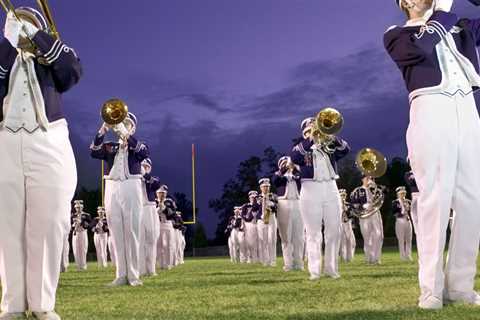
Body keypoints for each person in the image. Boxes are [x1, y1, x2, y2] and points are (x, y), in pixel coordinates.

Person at [384, 0, 480, 308]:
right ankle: (431, 290)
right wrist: (442, 12)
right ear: (406, 2)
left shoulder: (459, 27)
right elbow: (416, 52)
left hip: (467, 108)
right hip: (429, 108)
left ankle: (461, 287)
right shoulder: (397, 33)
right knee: (434, 201)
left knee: (473, 201)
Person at [0, 7, 82, 319]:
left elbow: (71, 72)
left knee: (49, 224)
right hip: (4, 141)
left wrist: (36, 35)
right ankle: (12, 305)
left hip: (49, 142)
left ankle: (42, 305)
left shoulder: (53, 56)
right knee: (7, 228)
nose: (21, 26)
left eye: (29, 22)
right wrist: (9, 42)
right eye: (17, 22)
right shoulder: (3, 54)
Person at [90, 112, 149, 287]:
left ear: (133, 127)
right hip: (112, 186)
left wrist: (125, 134)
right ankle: (120, 275)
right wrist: (103, 129)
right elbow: (93, 152)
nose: (122, 124)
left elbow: (143, 152)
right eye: (120, 122)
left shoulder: (138, 144)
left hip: (131, 184)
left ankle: (133, 275)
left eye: (127, 123)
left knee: (131, 230)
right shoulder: (110, 146)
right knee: (116, 232)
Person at [290, 117, 350, 280]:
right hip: (310, 189)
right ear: (304, 132)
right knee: (313, 233)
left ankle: (331, 269)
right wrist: (311, 139)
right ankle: (315, 271)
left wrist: (331, 136)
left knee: (334, 230)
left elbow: (346, 149)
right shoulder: (300, 147)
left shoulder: (328, 146)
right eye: (310, 129)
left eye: (316, 128)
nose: (315, 132)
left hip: (331, 187)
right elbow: (294, 158)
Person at [273, 156, 304, 271]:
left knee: (299, 237)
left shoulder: (298, 175)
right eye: (285, 163)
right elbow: (275, 181)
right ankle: (288, 264)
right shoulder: (279, 175)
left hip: (298, 203)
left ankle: (299, 264)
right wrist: (283, 169)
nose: (288, 164)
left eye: (289, 162)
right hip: (283, 204)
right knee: (286, 237)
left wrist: (294, 168)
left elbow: (304, 179)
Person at [350, 176, 385, 265]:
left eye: (371, 178)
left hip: (375, 213)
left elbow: (385, 193)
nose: (369, 180)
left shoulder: (375, 189)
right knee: (367, 237)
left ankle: (376, 258)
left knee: (379, 235)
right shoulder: (358, 191)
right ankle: (369, 258)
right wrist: (363, 206)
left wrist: (376, 187)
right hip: (365, 216)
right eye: (367, 178)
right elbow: (353, 204)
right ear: (362, 179)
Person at [138, 158, 161, 277]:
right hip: (138, 209)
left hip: (149, 209)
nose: (144, 168)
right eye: (142, 166)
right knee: (140, 240)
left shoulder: (153, 178)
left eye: (146, 166)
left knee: (151, 239)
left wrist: (145, 175)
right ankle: (141, 270)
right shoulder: (135, 180)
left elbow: (156, 185)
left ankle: (151, 269)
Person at [257, 178, 278, 267]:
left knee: (272, 240)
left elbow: (277, 206)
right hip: (261, 221)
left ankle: (272, 261)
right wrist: (259, 202)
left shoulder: (273, 196)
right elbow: (254, 209)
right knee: (263, 241)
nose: (266, 188)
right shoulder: (257, 198)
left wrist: (270, 203)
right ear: (261, 188)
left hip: (271, 219)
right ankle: (265, 260)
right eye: (264, 187)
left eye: (267, 186)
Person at [156, 187, 177, 270]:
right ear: (156, 193)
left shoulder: (169, 201)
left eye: (163, 193)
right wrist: (157, 209)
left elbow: (173, 214)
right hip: (157, 224)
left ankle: (168, 264)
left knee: (168, 245)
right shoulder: (153, 201)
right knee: (159, 245)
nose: (162, 194)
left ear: (166, 193)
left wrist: (165, 209)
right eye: (160, 192)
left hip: (167, 224)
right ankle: (160, 264)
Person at [392, 187, 413, 261]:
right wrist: (401, 213)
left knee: (409, 239)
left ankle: (408, 255)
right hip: (400, 220)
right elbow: (394, 213)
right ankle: (402, 256)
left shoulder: (408, 201)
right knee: (401, 239)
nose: (403, 195)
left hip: (407, 220)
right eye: (401, 193)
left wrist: (408, 207)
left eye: (404, 193)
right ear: (398, 194)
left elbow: (412, 210)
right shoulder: (395, 202)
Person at [71, 200, 91, 271]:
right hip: (75, 233)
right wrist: (73, 226)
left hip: (82, 232)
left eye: (79, 207)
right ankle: (78, 266)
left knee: (83, 249)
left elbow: (89, 225)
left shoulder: (86, 215)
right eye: (77, 207)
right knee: (76, 250)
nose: (78, 209)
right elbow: (70, 225)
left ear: (82, 207)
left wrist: (82, 222)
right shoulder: (73, 215)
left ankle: (83, 265)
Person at [241, 191, 261, 264]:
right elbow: (243, 216)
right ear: (249, 198)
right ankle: (250, 258)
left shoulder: (259, 205)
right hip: (249, 224)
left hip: (258, 224)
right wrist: (243, 225)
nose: (253, 198)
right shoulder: (246, 206)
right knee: (249, 242)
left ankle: (259, 258)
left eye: (255, 197)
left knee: (259, 241)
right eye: (252, 197)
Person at [339, 189, 356, 263]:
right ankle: (343, 258)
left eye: (344, 195)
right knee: (343, 241)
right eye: (341, 195)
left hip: (348, 223)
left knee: (351, 241)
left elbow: (352, 214)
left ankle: (350, 257)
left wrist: (346, 210)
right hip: (340, 223)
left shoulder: (348, 205)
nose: (343, 197)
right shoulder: (336, 205)